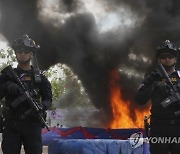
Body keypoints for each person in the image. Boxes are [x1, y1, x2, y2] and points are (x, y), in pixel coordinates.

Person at [0, 34, 52, 154]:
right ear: (16, 54)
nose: (22, 54)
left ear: (32, 54)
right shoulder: (7, 75)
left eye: (26, 51)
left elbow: (48, 99)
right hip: (12, 124)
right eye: (19, 51)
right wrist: (6, 86)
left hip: (32, 125)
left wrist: (41, 107)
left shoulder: (40, 78)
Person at [135, 40, 180, 154]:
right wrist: (154, 87)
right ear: (159, 59)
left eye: (170, 56)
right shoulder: (152, 78)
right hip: (159, 127)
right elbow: (139, 99)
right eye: (163, 56)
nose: (167, 59)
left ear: (175, 59)